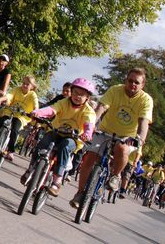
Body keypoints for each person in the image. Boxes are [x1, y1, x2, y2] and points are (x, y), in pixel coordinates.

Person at [70, 68, 153, 209]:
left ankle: (115, 176)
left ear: (142, 85)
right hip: (105, 131)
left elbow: (144, 122)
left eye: (136, 82)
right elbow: (101, 108)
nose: (133, 84)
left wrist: (140, 139)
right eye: (130, 81)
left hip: (127, 137)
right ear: (126, 80)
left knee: (122, 148)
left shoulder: (146, 100)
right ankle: (80, 193)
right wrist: (91, 125)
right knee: (90, 157)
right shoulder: (115, 90)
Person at [26, 77, 97, 196]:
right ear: (71, 92)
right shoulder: (64, 102)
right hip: (56, 131)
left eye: (82, 95)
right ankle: (32, 168)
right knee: (43, 142)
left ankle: (57, 181)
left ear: (87, 98)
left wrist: (87, 134)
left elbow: (88, 124)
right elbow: (52, 109)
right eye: (75, 92)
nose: (78, 96)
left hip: (73, 138)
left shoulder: (88, 111)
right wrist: (37, 112)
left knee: (65, 147)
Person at [0, 75, 39, 161]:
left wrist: (35, 112)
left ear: (32, 86)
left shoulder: (32, 95)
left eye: (27, 84)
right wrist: (0, 99)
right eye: (23, 83)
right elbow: (9, 95)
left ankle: (11, 151)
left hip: (22, 116)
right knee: (2, 120)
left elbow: (35, 105)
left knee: (15, 129)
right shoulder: (16, 89)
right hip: (10, 111)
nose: (24, 85)